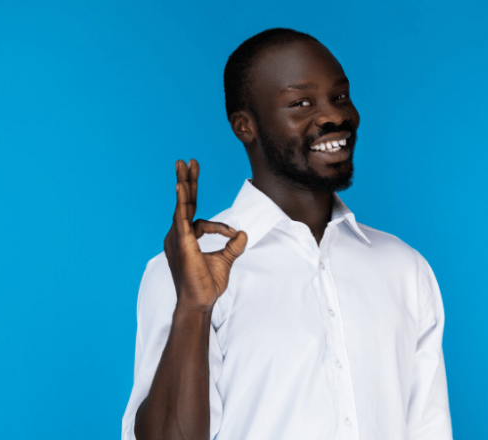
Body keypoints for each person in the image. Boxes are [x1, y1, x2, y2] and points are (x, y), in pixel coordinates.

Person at [121, 28, 452, 440]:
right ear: (245, 126)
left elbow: (428, 429)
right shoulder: (189, 269)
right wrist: (193, 308)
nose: (335, 116)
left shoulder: (404, 268)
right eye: (301, 103)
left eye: (341, 96)